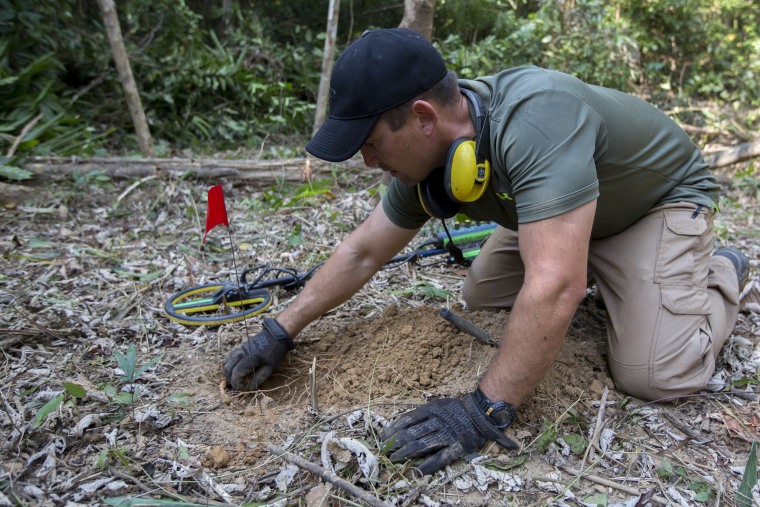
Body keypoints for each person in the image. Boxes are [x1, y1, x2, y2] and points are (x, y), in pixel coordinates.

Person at [223, 28, 750, 475]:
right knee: (484, 293)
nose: (367, 161)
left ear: (424, 118)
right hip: (569, 215)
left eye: (370, 143)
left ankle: (723, 271)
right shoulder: (425, 160)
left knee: (654, 375)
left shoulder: (537, 119)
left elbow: (554, 287)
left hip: (654, 207)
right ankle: (593, 265)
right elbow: (364, 250)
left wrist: (484, 409)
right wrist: (280, 329)